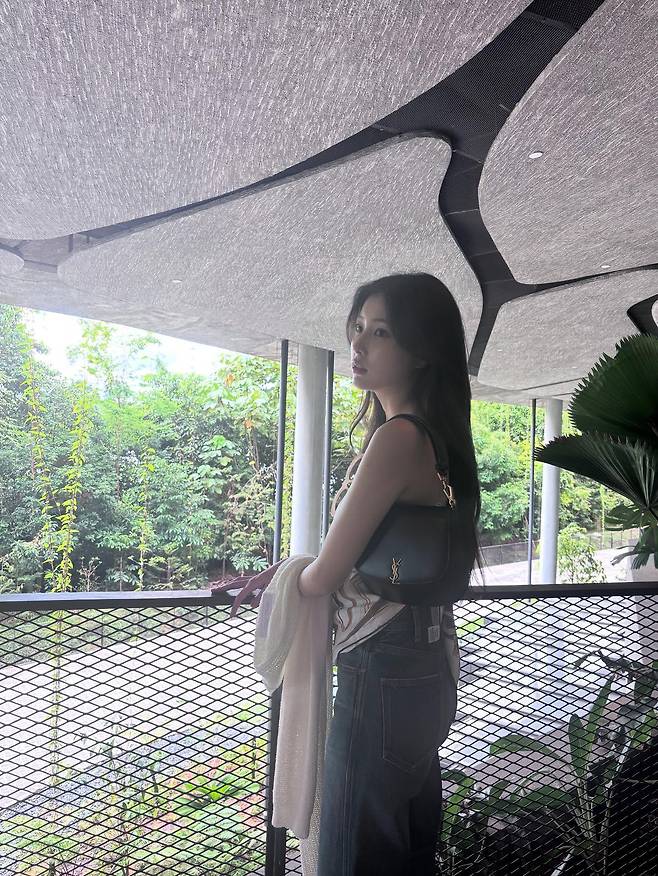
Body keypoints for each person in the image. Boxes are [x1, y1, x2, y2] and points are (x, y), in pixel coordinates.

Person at [215, 273, 484, 875]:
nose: (358, 344)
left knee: (352, 855)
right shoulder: (439, 436)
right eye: (357, 328)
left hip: (381, 664)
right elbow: (358, 558)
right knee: (401, 850)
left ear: (421, 350)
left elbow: (323, 577)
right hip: (425, 662)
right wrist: (293, 569)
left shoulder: (398, 438)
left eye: (380, 332)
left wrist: (291, 577)